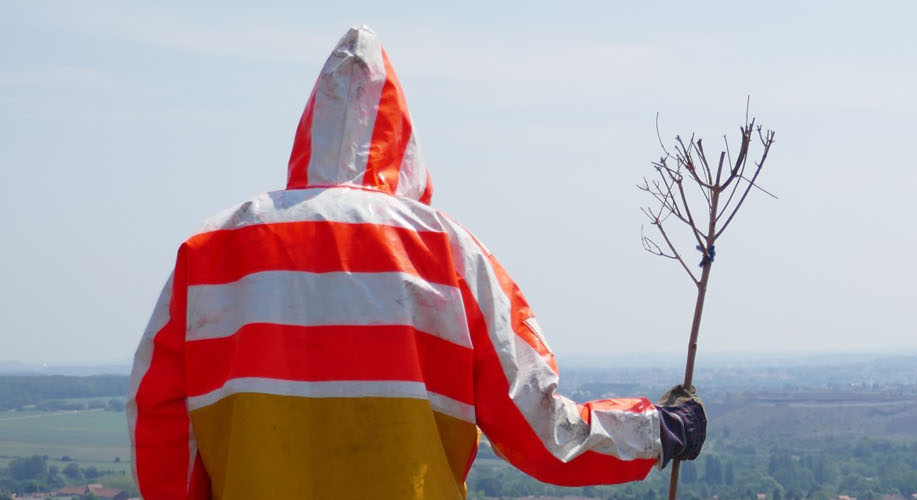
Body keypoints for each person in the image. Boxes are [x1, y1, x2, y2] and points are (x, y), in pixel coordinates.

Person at [127, 26, 706, 500]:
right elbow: (540, 432)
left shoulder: (208, 253)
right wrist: (656, 430)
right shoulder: (448, 254)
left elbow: (158, 426)